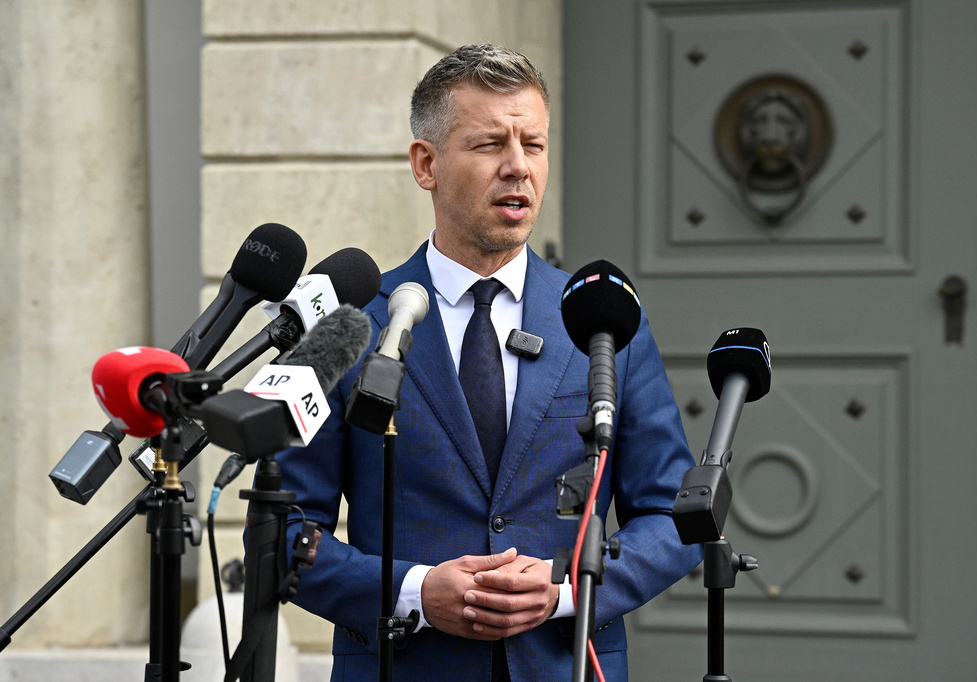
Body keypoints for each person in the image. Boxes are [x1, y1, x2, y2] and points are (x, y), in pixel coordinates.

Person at [276, 43, 703, 681]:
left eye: (533, 145)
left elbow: (676, 516)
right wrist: (415, 592)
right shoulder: (349, 324)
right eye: (489, 145)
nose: (518, 168)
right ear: (426, 164)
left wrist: (566, 590)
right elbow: (281, 529)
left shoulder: (605, 319)